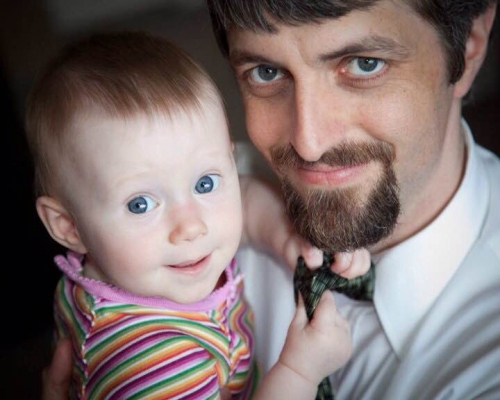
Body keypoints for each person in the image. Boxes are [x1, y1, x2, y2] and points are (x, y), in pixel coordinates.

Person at [44, 0, 500, 398]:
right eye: (266, 72)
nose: (309, 143)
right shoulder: (190, 190)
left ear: (469, 45)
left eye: (364, 64)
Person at [27, 31, 370, 399]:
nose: (191, 226)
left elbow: (243, 194)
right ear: (69, 226)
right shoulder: (151, 363)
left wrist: (288, 237)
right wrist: (300, 370)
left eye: (204, 183)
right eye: (141, 204)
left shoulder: (127, 264)